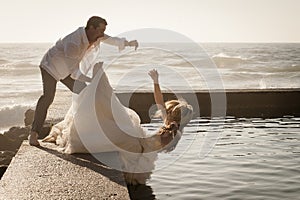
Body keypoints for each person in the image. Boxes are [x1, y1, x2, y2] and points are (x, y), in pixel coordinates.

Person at [43, 67, 193, 184]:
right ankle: (92, 88)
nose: (168, 113)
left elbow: (161, 144)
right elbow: (159, 100)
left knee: (115, 126)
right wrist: (155, 81)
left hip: (137, 147)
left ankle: (78, 84)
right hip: (138, 142)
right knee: (115, 117)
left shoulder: (174, 132)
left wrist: (169, 131)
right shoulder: (168, 122)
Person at [29, 16, 138, 146]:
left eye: (103, 30)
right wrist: (92, 79)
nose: (102, 34)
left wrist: (128, 43)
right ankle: (33, 134)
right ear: (91, 28)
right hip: (51, 67)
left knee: (85, 93)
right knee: (48, 97)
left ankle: (84, 130)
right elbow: (74, 71)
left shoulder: (95, 35)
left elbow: (109, 39)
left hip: (68, 68)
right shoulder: (73, 43)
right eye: (100, 30)